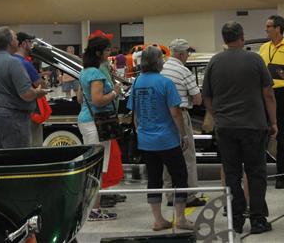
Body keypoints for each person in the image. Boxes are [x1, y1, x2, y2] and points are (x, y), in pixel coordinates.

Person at [203, 22, 276, 235]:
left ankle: (235, 220)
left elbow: (207, 97)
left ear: (224, 39)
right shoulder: (255, 59)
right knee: (256, 173)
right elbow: (268, 94)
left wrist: (218, 115)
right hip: (253, 125)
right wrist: (273, 122)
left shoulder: (214, 62)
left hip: (226, 127)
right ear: (242, 37)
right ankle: (258, 220)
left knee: (232, 174)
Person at [128, 46, 195, 232]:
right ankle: (180, 218)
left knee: (154, 178)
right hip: (167, 139)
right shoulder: (165, 83)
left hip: (146, 140)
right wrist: (183, 135)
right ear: (158, 62)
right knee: (180, 176)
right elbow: (175, 113)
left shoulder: (137, 82)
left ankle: (158, 220)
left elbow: (135, 114)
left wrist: (141, 131)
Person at [77, 34, 122, 221]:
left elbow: (80, 98)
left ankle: (92, 208)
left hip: (86, 120)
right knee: (98, 166)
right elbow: (98, 100)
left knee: (92, 164)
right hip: (97, 123)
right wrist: (114, 92)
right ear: (99, 53)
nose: (109, 53)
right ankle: (94, 209)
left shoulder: (84, 72)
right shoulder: (96, 74)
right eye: (107, 50)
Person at [0, 27, 46, 149]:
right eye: (16, 38)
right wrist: (38, 92)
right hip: (12, 118)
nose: (17, 41)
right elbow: (26, 94)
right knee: (17, 156)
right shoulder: (14, 62)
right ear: (10, 42)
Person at [161, 39, 204, 207]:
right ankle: (189, 195)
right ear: (180, 54)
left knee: (168, 156)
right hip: (180, 114)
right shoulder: (183, 71)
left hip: (163, 117)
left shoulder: (161, 69)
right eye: (187, 53)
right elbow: (198, 99)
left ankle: (170, 194)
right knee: (187, 155)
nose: (188, 56)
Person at [258, 14, 284, 189]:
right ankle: (260, 174)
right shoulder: (263, 48)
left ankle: (281, 175)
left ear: (278, 28)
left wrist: (283, 74)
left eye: (269, 26)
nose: (266, 29)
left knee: (282, 137)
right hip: (264, 93)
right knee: (262, 135)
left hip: (282, 94)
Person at [14, 31, 45, 146]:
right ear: (23, 44)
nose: (31, 45)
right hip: (29, 113)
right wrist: (43, 82)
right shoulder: (26, 63)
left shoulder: (10, 61)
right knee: (34, 144)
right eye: (30, 42)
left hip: (13, 112)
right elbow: (39, 84)